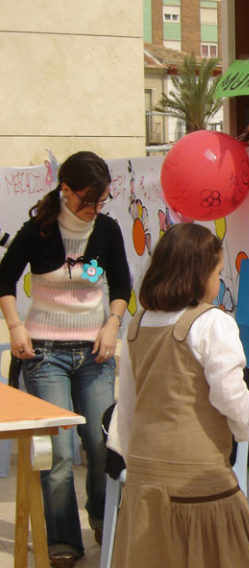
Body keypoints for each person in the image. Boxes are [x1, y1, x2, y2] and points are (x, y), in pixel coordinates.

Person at [111, 223, 249, 568]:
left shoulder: (136, 324)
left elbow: (127, 403)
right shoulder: (213, 323)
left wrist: (134, 460)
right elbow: (230, 394)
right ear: (199, 274)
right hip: (199, 480)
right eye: (217, 272)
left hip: (144, 477)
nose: (218, 281)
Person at [0, 151, 130, 567]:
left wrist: (112, 324)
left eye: (100, 201)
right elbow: (3, 278)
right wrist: (16, 326)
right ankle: (62, 542)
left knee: (99, 442)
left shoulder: (107, 230)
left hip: (95, 352)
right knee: (56, 454)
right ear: (65, 190)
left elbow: (122, 285)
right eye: (86, 201)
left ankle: (100, 516)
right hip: (45, 354)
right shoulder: (39, 229)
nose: (93, 210)